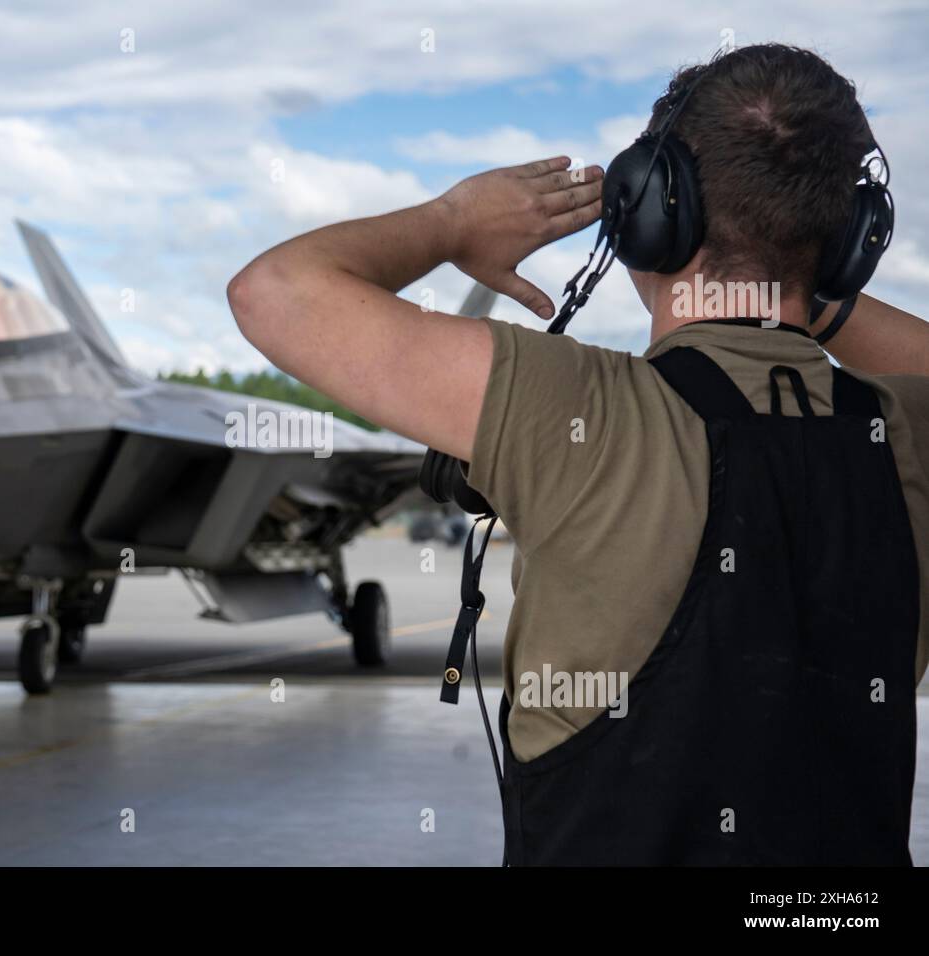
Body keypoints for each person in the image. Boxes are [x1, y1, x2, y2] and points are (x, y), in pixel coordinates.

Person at [227, 43, 929, 865]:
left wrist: (454, 222)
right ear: (857, 242)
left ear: (650, 218)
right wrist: (812, 279)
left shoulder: (572, 410)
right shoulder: (905, 431)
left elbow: (273, 293)